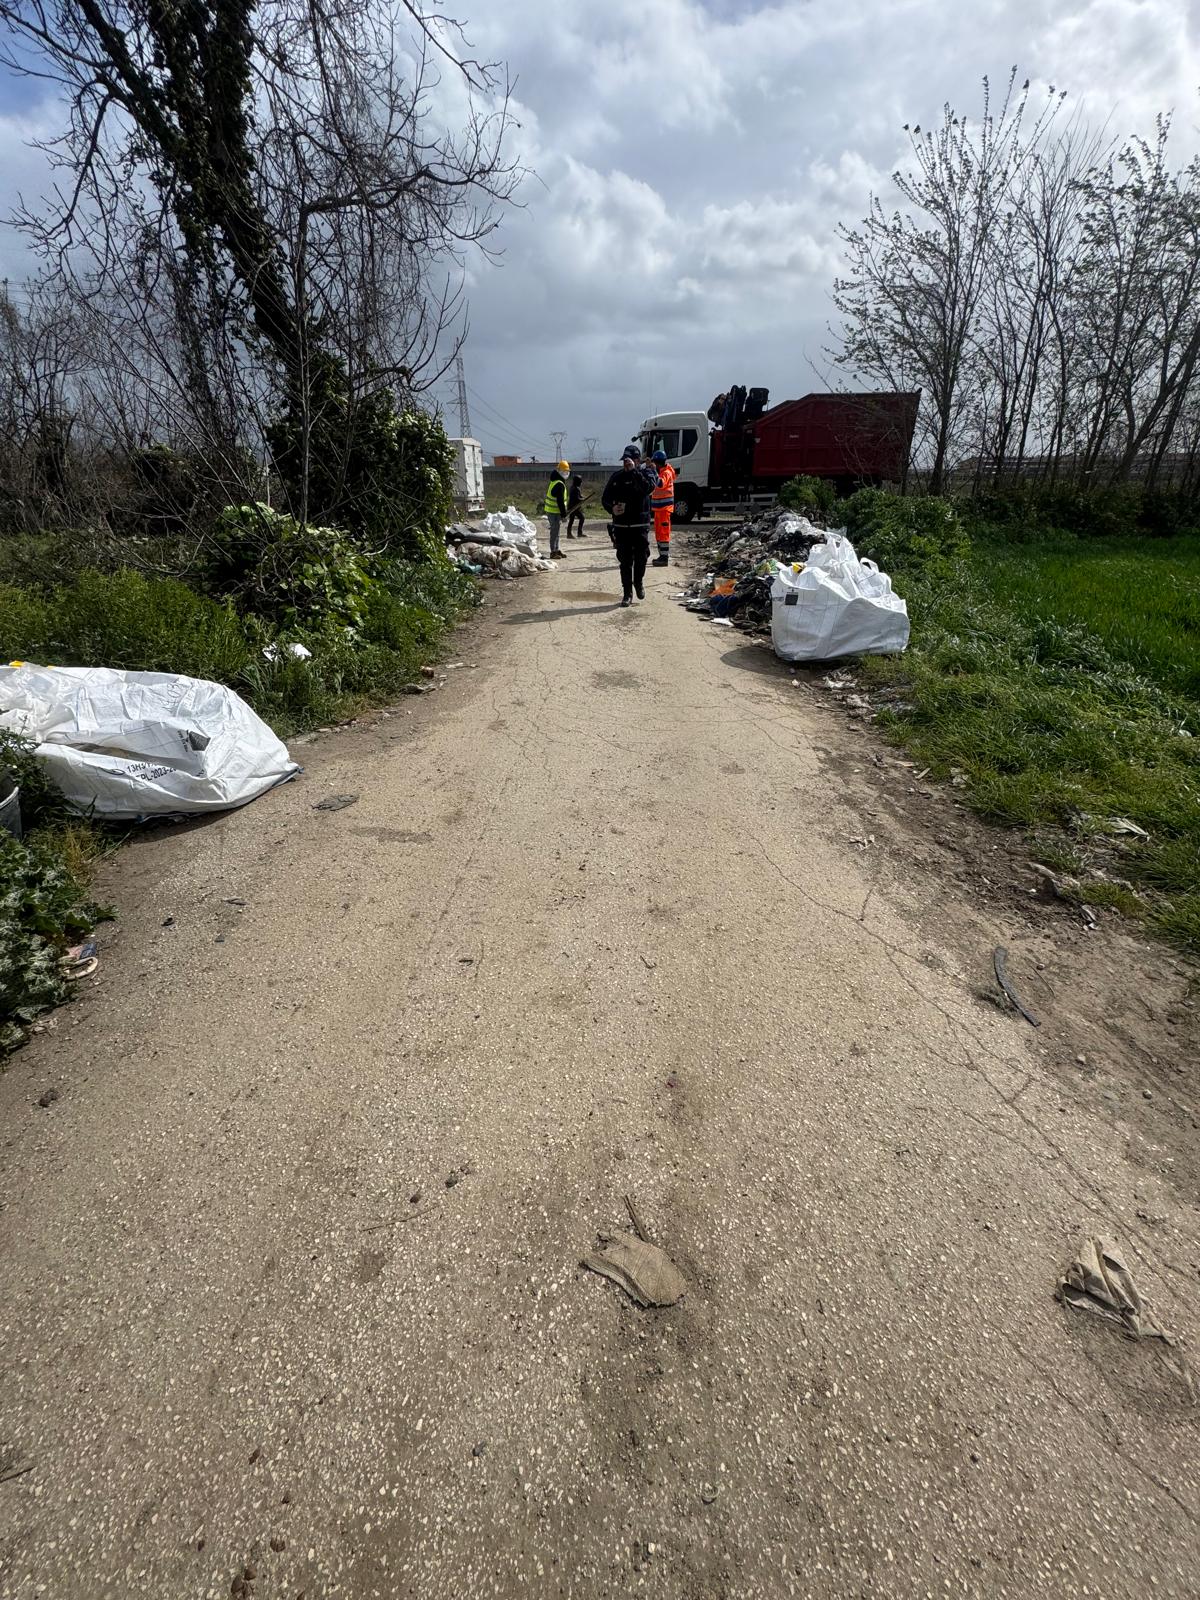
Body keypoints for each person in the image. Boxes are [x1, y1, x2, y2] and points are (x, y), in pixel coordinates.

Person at [601, 445, 656, 607]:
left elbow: (648, 488)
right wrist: (612, 508)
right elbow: (605, 498)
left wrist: (634, 472)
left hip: (640, 524)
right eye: (625, 461)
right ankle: (627, 593)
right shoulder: (617, 477)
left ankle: (638, 582)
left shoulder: (645, 474)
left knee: (641, 557)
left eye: (630, 461)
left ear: (638, 460)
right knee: (625, 561)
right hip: (622, 526)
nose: (626, 464)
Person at [649, 448, 675, 565]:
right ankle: (661, 556)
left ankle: (664, 558)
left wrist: (653, 471)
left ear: (659, 463)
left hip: (664, 509)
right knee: (659, 534)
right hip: (659, 509)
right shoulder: (661, 472)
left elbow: (660, 484)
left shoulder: (666, 473)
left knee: (664, 534)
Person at [543, 460, 570, 558]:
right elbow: (560, 501)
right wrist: (564, 514)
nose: (566, 473)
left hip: (553, 511)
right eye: (565, 471)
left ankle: (556, 549)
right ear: (561, 472)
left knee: (556, 531)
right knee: (554, 532)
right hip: (554, 512)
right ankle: (553, 552)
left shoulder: (555, 481)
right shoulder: (559, 484)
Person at [566, 472, 587, 539]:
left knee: (573, 520)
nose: (581, 483)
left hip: (574, 507)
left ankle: (573, 533)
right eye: (580, 481)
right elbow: (577, 498)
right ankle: (573, 533)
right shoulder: (575, 489)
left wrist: (582, 497)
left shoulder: (574, 487)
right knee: (580, 518)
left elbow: (579, 496)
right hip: (573, 507)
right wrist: (582, 499)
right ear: (577, 482)